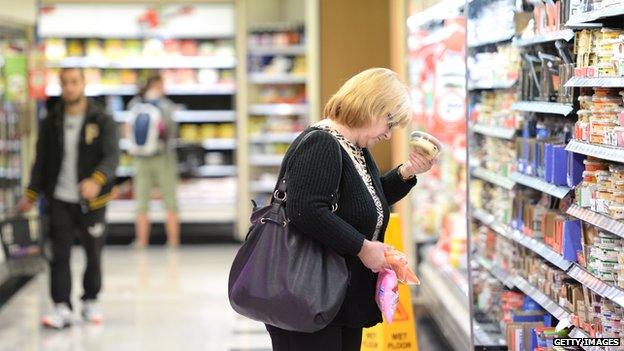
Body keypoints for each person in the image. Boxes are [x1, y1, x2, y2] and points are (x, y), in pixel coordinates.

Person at [264, 68, 437, 351]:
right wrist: (362, 247)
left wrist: (407, 172)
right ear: (372, 107)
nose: (389, 134)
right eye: (389, 122)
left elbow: (361, 204)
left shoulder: (352, 146)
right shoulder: (323, 142)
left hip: (335, 298)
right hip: (310, 294)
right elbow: (305, 208)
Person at [16, 67, 120, 329]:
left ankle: (90, 300)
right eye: (65, 83)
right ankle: (61, 306)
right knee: (59, 255)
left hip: (92, 203)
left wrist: (96, 180)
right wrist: (31, 194)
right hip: (59, 199)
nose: (69, 88)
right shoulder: (52, 120)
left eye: (74, 82)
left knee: (93, 254)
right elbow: (41, 161)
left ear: (83, 84)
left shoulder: (101, 119)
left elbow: (111, 157)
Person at [127, 74, 179, 247]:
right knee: (170, 202)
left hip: (140, 160)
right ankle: (173, 241)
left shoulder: (135, 104)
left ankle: (141, 241)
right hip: (163, 158)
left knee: (141, 203)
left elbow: (127, 129)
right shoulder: (167, 106)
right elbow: (172, 132)